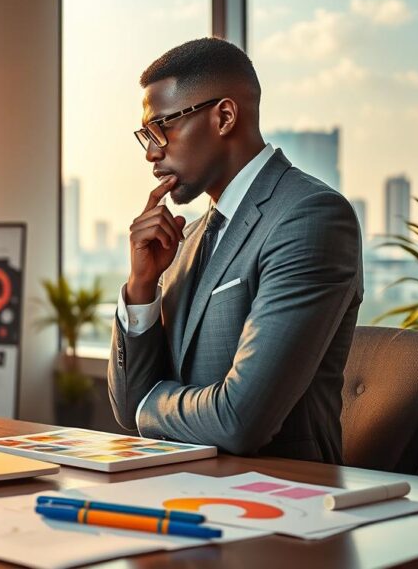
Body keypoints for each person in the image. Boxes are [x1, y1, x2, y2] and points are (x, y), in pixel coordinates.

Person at [107, 37, 363, 464]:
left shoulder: (310, 217)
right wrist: (142, 286)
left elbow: (240, 420)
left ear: (224, 116)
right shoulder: (186, 238)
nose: (152, 152)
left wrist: (148, 405)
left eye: (161, 128)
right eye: (145, 136)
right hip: (181, 492)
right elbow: (126, 405)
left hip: (282, 502)